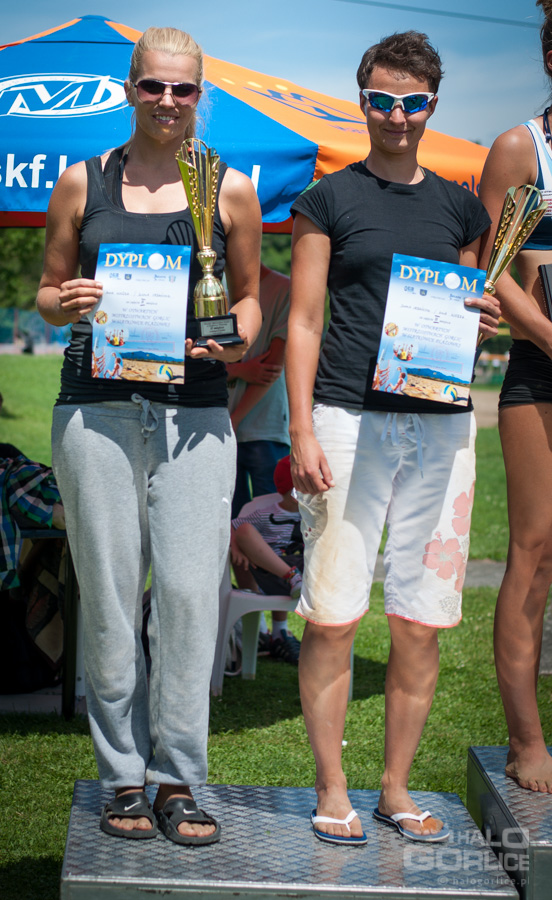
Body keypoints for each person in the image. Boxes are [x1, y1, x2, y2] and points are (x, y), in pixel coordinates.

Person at [36, 26, 261, 844]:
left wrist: (235, 339)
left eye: (184, 88)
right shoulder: (82, 180)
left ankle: (178, 778)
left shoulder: (231, 189)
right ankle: (123, 776)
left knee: (192, 602)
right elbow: (46, 294)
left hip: (194, 416)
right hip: (95, 412)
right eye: (154, 86)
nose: (169, 101)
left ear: (201, 94)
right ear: (130, 88)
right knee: (107, 599)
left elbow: (249, 300)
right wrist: (68, 300)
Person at [286, 31, 500, 845]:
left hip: (443, 430)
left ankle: (396, 790)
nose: (397, 115)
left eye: (412, 103)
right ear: (363, 100)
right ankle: (332, 786)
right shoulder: (326, 200)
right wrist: (301, 426)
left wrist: (482, 320)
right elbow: (304, 321)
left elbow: (467, 318)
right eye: (382, 100)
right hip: (346, 421)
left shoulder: (463, 209)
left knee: (420, 621)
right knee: (333, 616)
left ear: (432, 105)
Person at [478, 0, 552, 794]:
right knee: (536, 551)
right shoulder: (520, 148)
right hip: (542, 371)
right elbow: (493, 267)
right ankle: (527, 741)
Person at [227, 263, 293, 653]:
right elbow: (198, 364)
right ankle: (253, 624)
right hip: (218, 428)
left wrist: (233, 419)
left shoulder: (283, 289)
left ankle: (280, 628)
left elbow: (272, 368)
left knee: (278, 529)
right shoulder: (208, 285)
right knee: (230, 528)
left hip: (265, 427)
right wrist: (239, 369)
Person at [230, 454, 303, 664]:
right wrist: (236, 547)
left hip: (306, 571)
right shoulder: (266, 514)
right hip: (273, 574)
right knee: (245, 530)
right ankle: (292, 576)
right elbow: (234, 526)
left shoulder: (316, 515)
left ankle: (281, 635)